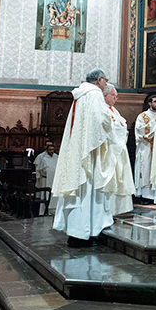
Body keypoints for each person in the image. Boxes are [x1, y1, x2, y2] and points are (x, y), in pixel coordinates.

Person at [52, 69, 116, 247]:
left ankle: (75, 231)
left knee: (78, 189)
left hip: (79, 145)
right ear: (100, 80)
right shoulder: (94, 94)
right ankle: (84, 232)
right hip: (89, 150)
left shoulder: (80, 94)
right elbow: (101, 120)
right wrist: (111, 123)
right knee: (87, 189)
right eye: (105, 80)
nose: (105, 84)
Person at [102, 84, 135, 215]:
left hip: (119, 149)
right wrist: (122, 131)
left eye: (116, 96)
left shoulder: (114, 110)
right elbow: (110, 128)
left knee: (121, 177)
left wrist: (124, 131)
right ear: (105, 95)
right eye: (113, 96)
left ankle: (119, 209)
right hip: (109, 150)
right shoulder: (102, 109)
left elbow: (121, 124)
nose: (116, 98)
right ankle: (109, 209)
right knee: (112, 179)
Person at [134, 94, 156, 200]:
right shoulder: (142, 116)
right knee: (145, 169)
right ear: (149, 103)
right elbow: (140, 131)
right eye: (155, 101)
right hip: (146, 147)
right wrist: (154, 121)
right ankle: (145, 195)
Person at [34, 141, 58, 214]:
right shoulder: (43, 158)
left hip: (54, 179)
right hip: (45, 180)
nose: (51, 151)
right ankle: (43, 211)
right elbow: (39, 169)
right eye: (50, 150)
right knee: (45, 195)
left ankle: (54, 210)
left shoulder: (56, 157)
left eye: (52, 150)